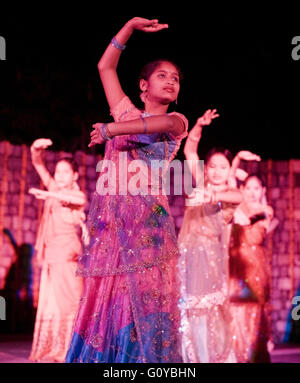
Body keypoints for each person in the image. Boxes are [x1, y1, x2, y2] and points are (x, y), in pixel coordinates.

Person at [66, 17, 189, 363]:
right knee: (108, 300)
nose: (170, 81)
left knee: (144, 304)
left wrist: (112, 130)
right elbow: (105, 66)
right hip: (113, 230)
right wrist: (130, 27)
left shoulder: (177, 123)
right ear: (143, 86)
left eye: (176, 78)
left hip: (149, 230)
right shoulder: (124, 114)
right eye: (162, 75)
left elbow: (159, 124)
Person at [177, 110, 242, 363]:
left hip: (211, 258)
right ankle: (197, 358)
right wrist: (197, 127)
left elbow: (237, 197)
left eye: (222, 167)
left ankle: (216, 357)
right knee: (193, 309)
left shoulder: (229, 194)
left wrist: (212, 197)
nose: (216, 172)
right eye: (212, 166)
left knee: (209, 308)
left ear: (229, 171)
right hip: (189, 255)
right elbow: (189, 152)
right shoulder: (201, 181)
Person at [29, 138, 86, 363]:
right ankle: (54, 347)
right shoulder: (54, 188)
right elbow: (39, 165)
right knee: (51, 302)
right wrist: (35, 149)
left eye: (65, 172)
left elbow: (76, 199)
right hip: (52, 255)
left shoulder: (76, 195)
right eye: (58, 171)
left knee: (69, 302)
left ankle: (70, 349)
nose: (60, 175)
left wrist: (50, 195)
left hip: (67, 254)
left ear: (75, 176)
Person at [229, 172, 275, 363]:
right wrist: (237, 160)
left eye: (256, 188)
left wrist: (245, 219)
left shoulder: (266, 209)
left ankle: (256, 357)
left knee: (256, 313)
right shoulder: (236, 208)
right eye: (248, 187)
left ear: (263, 190)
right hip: (236, 263)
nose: (252, 192)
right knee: (236, 313)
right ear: (242, 190)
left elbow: (255, 218)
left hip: (256, 267)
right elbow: (229, 184)